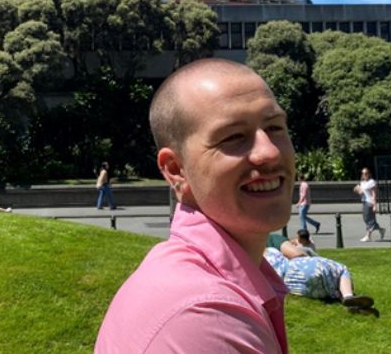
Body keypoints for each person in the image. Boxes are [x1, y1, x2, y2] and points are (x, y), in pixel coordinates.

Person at [96, 59, 294, 353]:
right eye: (233, 137)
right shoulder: (207, 317)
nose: (269, 152)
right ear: (176, 170)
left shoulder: (192, 278)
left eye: (275, 127)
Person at [263, 247, 379, 317]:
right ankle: (348, 295)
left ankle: (353, 305)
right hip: (299, 268)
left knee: (331, 287)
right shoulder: (270, 250)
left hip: (294, 286)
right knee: (341, 269)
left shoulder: (257, 263)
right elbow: (296, 254)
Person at [353, 167, 385, 242]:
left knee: (368, 219)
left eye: (366, 173)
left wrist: (374, 205)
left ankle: (368, 236)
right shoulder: (361, 183)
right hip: (364, 202)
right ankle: (381, 230)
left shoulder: (371, 182)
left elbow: (374, 194)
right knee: (366, 218)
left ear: (369, 174)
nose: (364, 175)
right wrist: (357, 190)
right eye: (363, 173)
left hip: (369, 202)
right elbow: (355, 189)